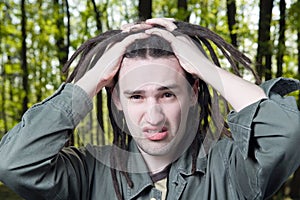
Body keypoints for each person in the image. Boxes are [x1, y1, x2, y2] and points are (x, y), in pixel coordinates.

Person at [0, 18, 299, 200]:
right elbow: (13, 163)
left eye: (167, 94)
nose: (153, 118)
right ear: (116, 99)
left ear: (194, 93)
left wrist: (205, 67)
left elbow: (288, 133)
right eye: (136, 97)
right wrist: (90, 78)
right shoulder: (87, 173)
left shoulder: (231, 169)